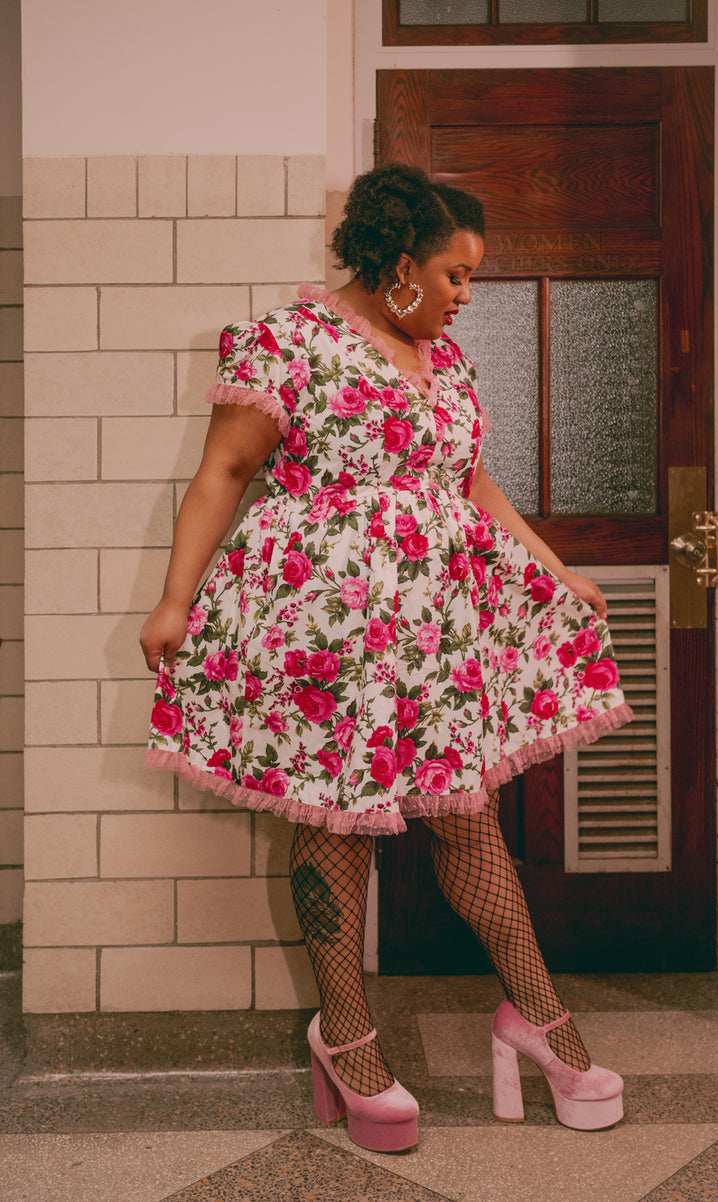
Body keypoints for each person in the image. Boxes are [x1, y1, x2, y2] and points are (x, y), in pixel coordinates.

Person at [140, 162, 632, 1153]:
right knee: (337, 824)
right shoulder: (290, 342)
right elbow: (223, 472)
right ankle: (348, 1039)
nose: (463, 295)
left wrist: (554, 569)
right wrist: (173, 599)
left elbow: (474, 486)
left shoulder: (442, 364)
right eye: (455, 275)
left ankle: (540, 1021)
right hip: (326, 633)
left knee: (466, 820)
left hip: (432, 642)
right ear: (401, 263)